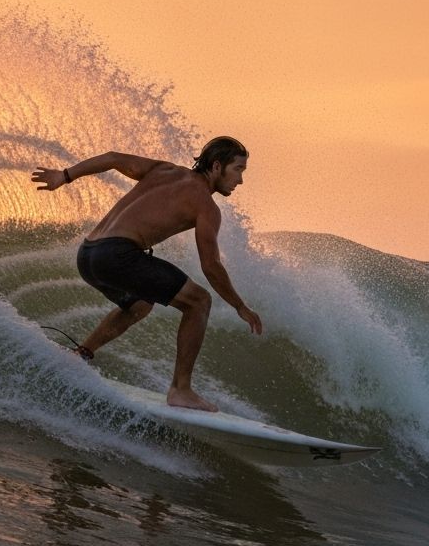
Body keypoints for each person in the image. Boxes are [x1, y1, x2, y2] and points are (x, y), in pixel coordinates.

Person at [31, 136, 263, 412]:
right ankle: (181, 390)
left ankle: (80, 355)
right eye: (238, 170)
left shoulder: (164, 170)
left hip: (89, 254)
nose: (240, 180)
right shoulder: (205, 205)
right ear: (216, 166)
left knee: (139, 304)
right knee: (199, 302)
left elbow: (113, 157)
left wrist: (64, 175)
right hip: (119, 255)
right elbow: (210, 266)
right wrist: (240, 306)